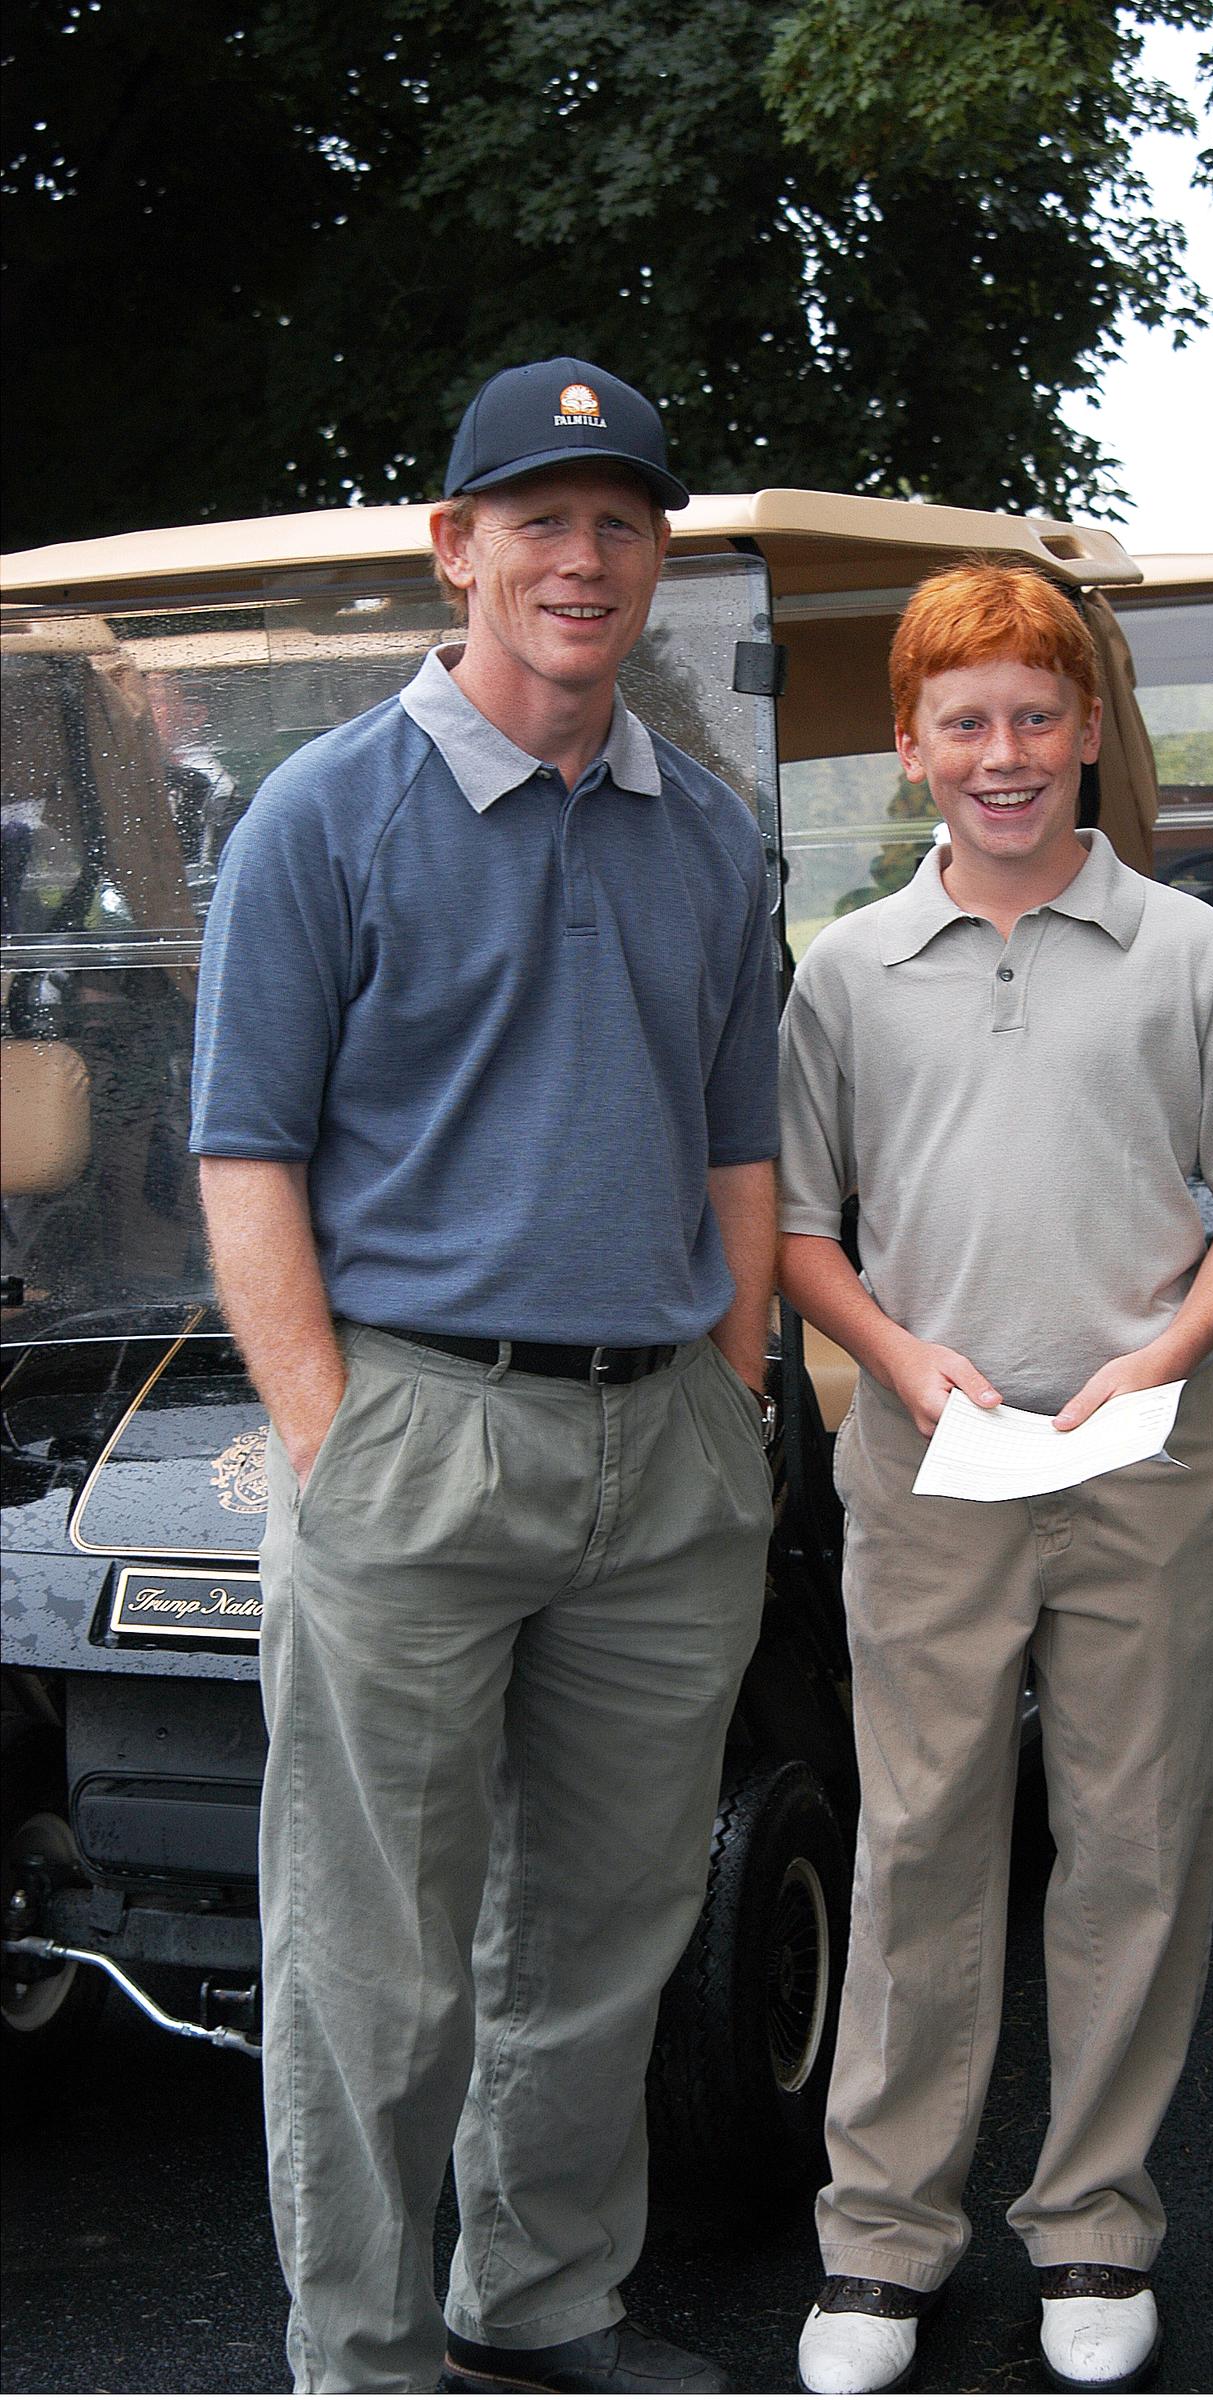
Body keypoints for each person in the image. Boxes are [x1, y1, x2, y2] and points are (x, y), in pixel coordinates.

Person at [191, 357, 779, 2396]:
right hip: (415, 1436)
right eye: (541, 518)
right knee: (372, 1965)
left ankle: (539, 2309)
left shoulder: (708, 837)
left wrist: (738, 1384)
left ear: (654, 560)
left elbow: (737, 1145)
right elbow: (244, 1153)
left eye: (621, 521)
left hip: (666, 1459)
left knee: (606, 1946)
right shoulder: (320, 821)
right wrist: (329, 1436)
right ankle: (361, 2359)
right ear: (457, 548)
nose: (584, 557)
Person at [777, 563, 1213, 2396]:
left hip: (1153, 1468)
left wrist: (1160, 1357)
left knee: (1134, 1844)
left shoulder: (1186, 951)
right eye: (962, 723)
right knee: (920, 1838)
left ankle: (1093, 2220)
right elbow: (795, 1225)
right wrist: (896, 1355)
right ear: (909, 748)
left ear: (1088, 730)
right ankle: (883, 2246)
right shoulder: (846, 971)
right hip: (928, 1468)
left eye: (1033, 717)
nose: (1001, 755)